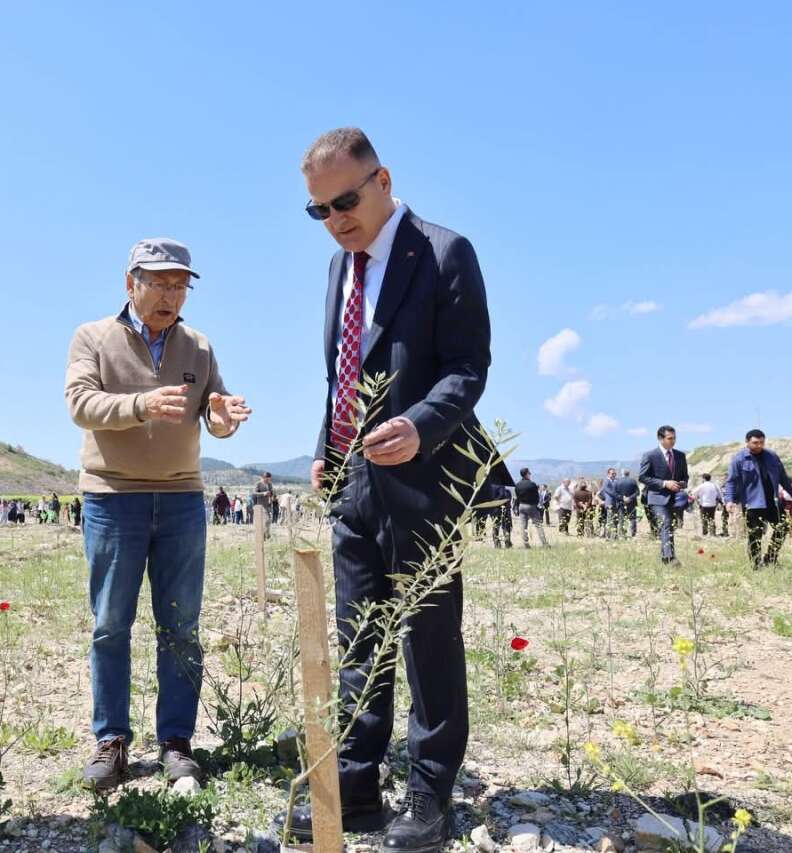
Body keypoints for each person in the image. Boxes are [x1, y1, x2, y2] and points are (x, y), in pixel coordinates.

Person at [283, 127, 494, 848]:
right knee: (360, 635)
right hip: (354, 486)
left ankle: (431, 790)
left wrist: (420, 424)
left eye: (344, 201)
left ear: (382, 180)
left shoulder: (442, 252)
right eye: (319, 210)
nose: (335, 219)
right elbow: (342, 373)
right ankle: (358, 782)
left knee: (429, 635)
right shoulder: (340, 269)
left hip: (425, 479)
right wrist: (325, 450)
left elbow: (467, 368)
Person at [65, 236, 252, 792]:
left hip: (180, 501)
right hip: (111, 498)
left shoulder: (198, 345)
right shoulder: (93, 337)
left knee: (181, 627)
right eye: (160, 283)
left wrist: (223, 417)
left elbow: (213, 416)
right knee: (109, 625)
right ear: (131, 284)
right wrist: (140, 405)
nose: (172, 294)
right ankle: (112, 741)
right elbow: (80, 404)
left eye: (180, 285)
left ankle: (176, 743)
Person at [725, 429, 792, 568]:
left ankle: (771, 558)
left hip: (773, 501)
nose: (759, 445)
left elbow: (783, 477)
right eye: (755, 443)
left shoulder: (772, 456)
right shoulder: (739, 459)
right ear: (747, 442)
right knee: (755, 536)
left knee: (783, 527)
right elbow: (731, 481)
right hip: (753, 504)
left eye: (761, 442)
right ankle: (756, 565)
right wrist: (729, 500)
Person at [639, 425, 689, 565]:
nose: (673, 441)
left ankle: (666, 556)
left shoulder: (680, 455)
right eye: (670, 438)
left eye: (674, 438)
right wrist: (664, 483)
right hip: (657, 497)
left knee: (670, 527)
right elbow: (643, 477)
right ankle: (669, 558)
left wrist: (681, 484)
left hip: (675, 498)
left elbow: (685, 477)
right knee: (666, 524)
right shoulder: (650, 455)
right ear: (660, 439)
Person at [514, 467, 550, 549]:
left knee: (523, 526)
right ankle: (545, 544)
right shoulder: (532, 484)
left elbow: (517, 497)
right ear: (526, 474)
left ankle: (526, 544)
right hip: (531, 506)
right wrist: (536, 506)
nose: (530, 474)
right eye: (529, 473)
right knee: (538, 525)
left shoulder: (517, 485)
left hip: (521, 506)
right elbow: (537, 497)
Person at [598, 468, 618, 538]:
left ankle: (614, 534)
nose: (614, 475)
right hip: (609, 503)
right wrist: (617, 495)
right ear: (608, 474)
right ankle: (608, 535)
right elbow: (607, 490)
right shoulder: (606, 481)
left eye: (615, 473)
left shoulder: (617, 481)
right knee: (609, 519)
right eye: (612, 474)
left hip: (616, 503)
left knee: (615, 519)